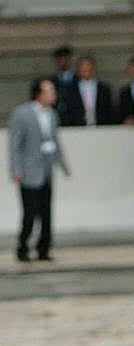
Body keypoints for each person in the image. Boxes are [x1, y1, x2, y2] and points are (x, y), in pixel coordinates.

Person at [8, 78, 70, 262]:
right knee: (29, 212)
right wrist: (15, 168)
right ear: (39, 93)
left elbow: (55, 142)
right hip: (29, 171)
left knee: (46, 212)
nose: (53, 94)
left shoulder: (52, 114)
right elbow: (15, 144)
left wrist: (63, 165)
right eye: (49, 91)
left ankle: (43, 248)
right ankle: (23, 246)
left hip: (46, 170)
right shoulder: (22, 114)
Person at [63, 55, 114, 126]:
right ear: (78, 69)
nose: (86, 68)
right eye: (82, 66)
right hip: (78, 130)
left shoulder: (104, 89)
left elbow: (110, 112)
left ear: (94, 68)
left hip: (101, 130)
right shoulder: (70, 91)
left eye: (88, 65)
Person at [50, 45, 76, 126]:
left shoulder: (78, 80)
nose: (63, 61)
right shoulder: (51, 81)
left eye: (66, 58)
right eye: (60, 59)